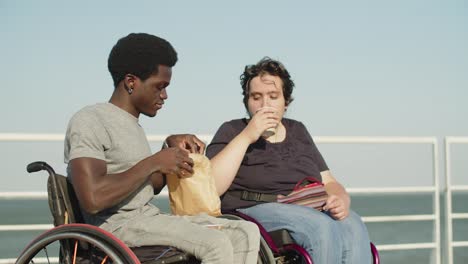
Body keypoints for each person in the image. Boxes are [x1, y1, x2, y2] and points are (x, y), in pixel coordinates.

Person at [64, 33, 260, 264]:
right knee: (214, 243)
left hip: (146, 218)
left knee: (244, 232)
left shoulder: (131, 125)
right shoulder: (90, 120)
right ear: (131, 82)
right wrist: (155, 161)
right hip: (115, 228)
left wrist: (171, 152)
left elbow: (150, 186)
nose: (165, 95)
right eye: (159, 87)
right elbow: (93, 198)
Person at [206, 57, 371, 264]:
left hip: (307, 205)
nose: (264, 104)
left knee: (353, 223)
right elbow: (210, 187)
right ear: (246, 101)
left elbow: (329, 181)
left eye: (273, 96)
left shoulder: (298, 130)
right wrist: (248, 135)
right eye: (256, 97)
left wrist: (341, 199)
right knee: (319, 226)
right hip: (253, 207)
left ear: (286, 102)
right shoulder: (232, 130)